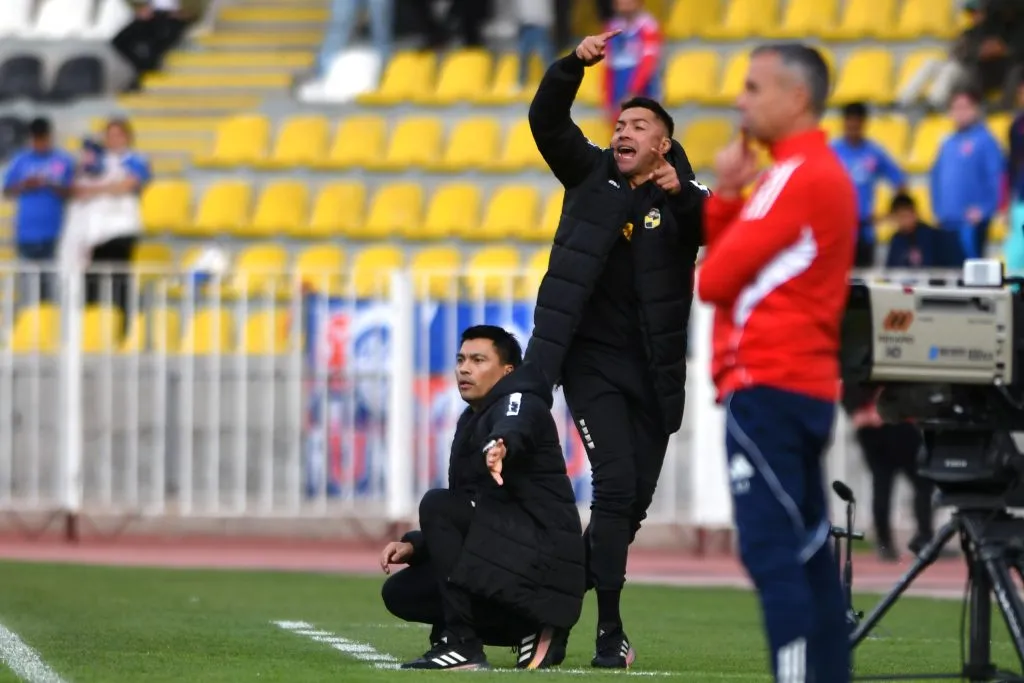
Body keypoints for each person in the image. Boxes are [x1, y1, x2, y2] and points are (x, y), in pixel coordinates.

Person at [524, 29, 709, 668]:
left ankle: (551, 616)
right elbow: (546, 120)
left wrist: (681, 193)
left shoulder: (683, 201)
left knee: (629, 508)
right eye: (621, 122)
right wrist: (572, 66)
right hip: (592, 364)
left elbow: (715, 220)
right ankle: (609, 631)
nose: (624, 131)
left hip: (653, 374)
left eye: (640, 125)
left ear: (663, 144)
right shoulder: (589, 171)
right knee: (613, 487)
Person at [696, 42, 855, 683]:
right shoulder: (807, 174)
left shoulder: (797, 174)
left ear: (797, 98)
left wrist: (728, 190)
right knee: (811, 554)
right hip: (799, 384)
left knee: (773, 553)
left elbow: (715, 277)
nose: (740, 100)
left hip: (767, 384)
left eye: (753, 87)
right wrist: (732, 193)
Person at [380, 325, 585, 671]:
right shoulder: (471, 419)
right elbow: (471, 508)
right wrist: (418, 545)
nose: (464, 368)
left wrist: (500, 444)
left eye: (477, 360)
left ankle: (463, 644)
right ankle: (529, 627)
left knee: (437, 504)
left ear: (507, 371)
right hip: (515, 554)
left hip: (546, 565)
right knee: (402, 592)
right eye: (461, 359)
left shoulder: (519, 400)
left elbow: (513, 425)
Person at [840, 383, 937, 563]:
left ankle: (890, 542)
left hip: (877, 424)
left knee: (886, 483)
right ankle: (922, 538)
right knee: (911, 481)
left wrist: (856, 412)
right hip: (890, 423)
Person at [2, 117, 75, 303]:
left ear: (50, 137)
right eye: (36, 139)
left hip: (54, 231)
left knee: (51, 284)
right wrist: (26, 184)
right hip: (26, 232)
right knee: (28, 285)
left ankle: (49, 322)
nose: (39, 143)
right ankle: (30, 321)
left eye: (43, 138)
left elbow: (71, 192)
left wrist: (50, 184)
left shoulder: (63, 160)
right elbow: (7, 190)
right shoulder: (21, 160)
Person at [930, 85, 1004, 261]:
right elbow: (935, 177)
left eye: (965, 107)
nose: (960, 113)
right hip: (946, 223)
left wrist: (985, 209)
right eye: (955, 108)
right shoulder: (947, 142)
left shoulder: (985, 140)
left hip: (970, 225)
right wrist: (938, 210)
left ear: (976, 109)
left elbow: (998, 178)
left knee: (969, 277)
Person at [830, 102, 908, 268]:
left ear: (863, 124)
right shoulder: (832, 152)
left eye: (856, 124)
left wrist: (888, 213)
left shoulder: (873, 152)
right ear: (843, 124)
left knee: (862, 283)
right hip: (838, 230)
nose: (852, 128)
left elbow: (899, 181)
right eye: (849, 124)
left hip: (865, 230)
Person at [602, 0, 663, 124]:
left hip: (644, 93)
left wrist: (632, 92)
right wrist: (607, 100)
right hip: (617, 93)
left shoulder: (648, 26)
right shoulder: (611, 28)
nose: (624, 3)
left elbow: (648, 64)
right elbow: (607, 67)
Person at [884, 192, 965, 269]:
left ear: (914, 213)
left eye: (905, 216)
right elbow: (890, 269)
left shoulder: (932, 236)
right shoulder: (896, 239)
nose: (903, 221)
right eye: (899, 217)